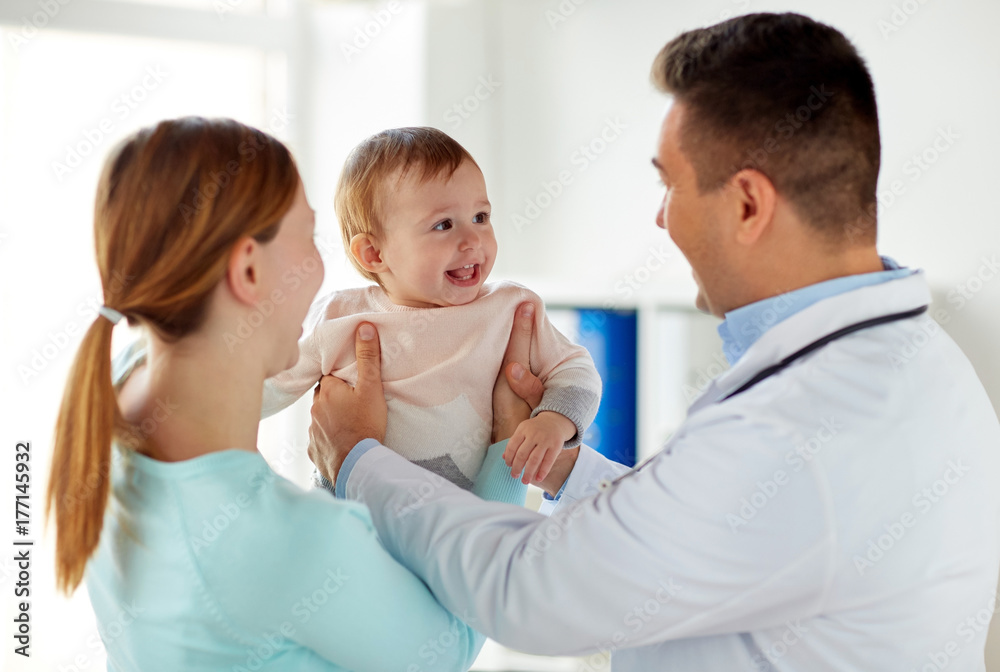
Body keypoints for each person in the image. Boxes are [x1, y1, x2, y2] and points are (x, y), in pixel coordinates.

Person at [307, 13, 1000, 670]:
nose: (661, 218)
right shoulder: (922, 362)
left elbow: (533, 592)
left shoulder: (793, 422)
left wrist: (359, 459)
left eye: (669, 185)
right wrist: (559, 468)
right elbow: (714, 532)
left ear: (748, 205)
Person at [45, 116, 528, 671]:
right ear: (249, 270)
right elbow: (445, 652)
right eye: (310, 238)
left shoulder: (115, 391)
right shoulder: (292, 542)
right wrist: (504, 452)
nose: (325, 271)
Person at [261, 127, 601, 490]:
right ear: (374, 253)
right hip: (348, 514)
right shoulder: (340, 316)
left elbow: (577, 372)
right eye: (443, 225)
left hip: (464, 517)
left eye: (481, 217)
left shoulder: (510, 309)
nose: (472, 240)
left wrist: (552, 421)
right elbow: (262, 390)